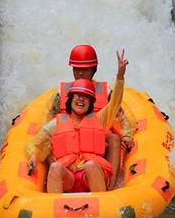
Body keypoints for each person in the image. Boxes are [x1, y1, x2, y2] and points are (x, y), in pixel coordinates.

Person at [27, 50, 129, 193]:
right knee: (55, 166)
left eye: (85, 97)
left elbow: (115, 104)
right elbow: (38, 144)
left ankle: (107, 194)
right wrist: (33, 157)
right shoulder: (57, 123)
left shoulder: (99, 118)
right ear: (70, 100)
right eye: (77, 96)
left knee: (92, 164)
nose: (81, 99)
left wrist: (120, 76)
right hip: (70, 176)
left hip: (90, 174)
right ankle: (54, 206)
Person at [49, 44, 134, 186]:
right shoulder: (61, 94)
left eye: (85, 69)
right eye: (77, 69)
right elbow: (50, 119)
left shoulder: (106, 93)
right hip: (70, 138)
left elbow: (119, 115)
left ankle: (110, 185)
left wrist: (126, 135)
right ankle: (53, 180)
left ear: (93, 69)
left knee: (113, 138)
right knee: (50, 142)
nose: (80, 73)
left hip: (99, 135)